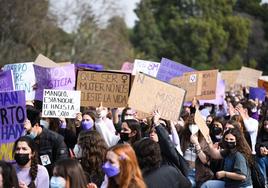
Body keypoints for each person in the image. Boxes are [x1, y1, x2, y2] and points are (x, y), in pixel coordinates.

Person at [24, 106, 69, 176]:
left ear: (36, 125)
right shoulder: (22, 140)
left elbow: (62, 165)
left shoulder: (55, 139)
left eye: (28, 131)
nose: (25, 134)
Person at [256, 119, 268, 186]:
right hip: (264, 158)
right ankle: (264, 183)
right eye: (265, 124)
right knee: (259, 158)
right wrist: (260, 149)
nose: (266, 126)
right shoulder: (261, 134)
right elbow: (257, 146)